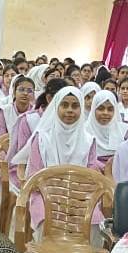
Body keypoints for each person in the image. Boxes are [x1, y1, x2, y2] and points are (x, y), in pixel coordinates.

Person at [15, 86, 100, 230]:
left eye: (75, 106)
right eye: (64, 105)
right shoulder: (42, 139)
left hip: (79, 196)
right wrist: (59, 193)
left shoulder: (88, 140)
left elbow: (91, 177)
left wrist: (73, 195)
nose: (70, 110)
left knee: (94, 222)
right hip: (45, 195)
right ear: (56, 107)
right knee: (48, 222)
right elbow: (34, 176)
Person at [86, 90, 126, 171]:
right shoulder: (84, 131)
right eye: (101, 108)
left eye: (110, 109)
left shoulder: (124, 131)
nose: (105, 113)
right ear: (93, 109)